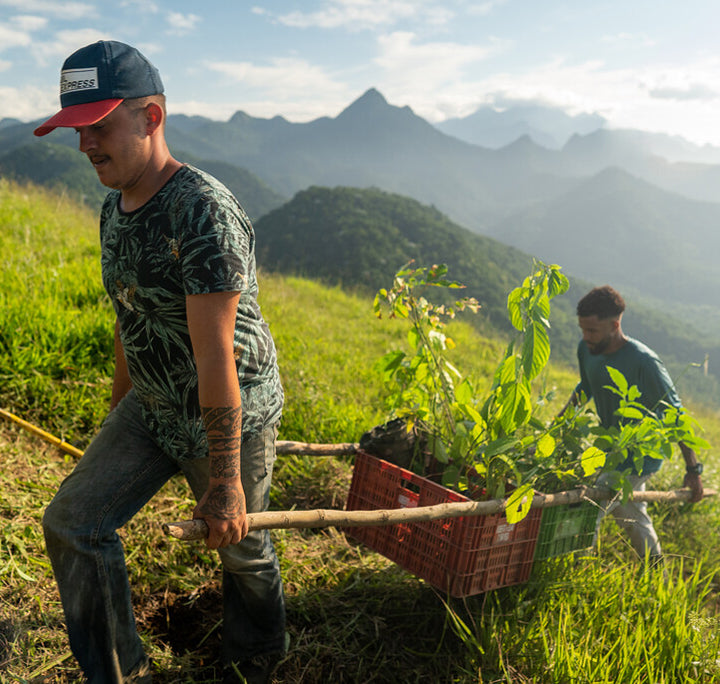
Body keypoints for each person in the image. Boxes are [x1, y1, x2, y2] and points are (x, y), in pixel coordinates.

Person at [35, 40, 286, 683]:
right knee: (73, 523)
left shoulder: (201, 212)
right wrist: (119, 411)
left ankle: (256, 656)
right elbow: (129, 317)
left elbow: (216, 356)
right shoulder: (113, 210)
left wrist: (225, 482)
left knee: (242, 549)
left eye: (100, 127)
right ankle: (118, 672)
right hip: (152, 405)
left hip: (223, 408)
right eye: (76, 130)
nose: (86, 145)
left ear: (151, 118)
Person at [561, 285, 703, 563]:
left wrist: (693, 469)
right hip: (611, 449)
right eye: (583, 329)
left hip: (641, 453)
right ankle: (655, 571)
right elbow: (585, 387)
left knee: (592, 501)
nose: (586, 337)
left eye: (592, 331)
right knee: (630, 511)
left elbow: (676, 415)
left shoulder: (644, 362)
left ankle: (572, 567)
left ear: (615, 325)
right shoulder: (586, 349)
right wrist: (558, 430)